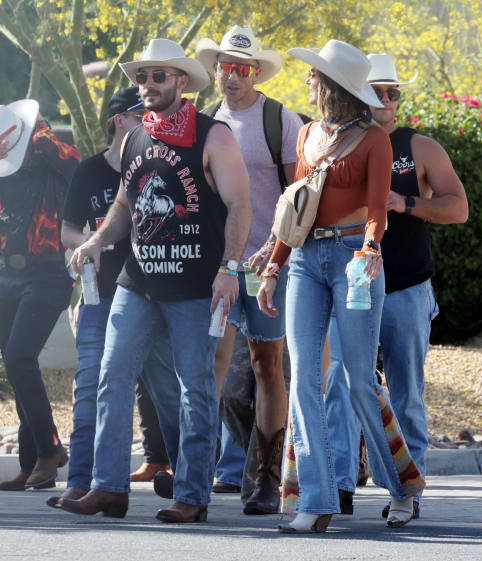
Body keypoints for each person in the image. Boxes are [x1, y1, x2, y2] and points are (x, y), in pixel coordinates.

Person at [57, 38, 251, 523]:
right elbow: (125, 205)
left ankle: (192, 495)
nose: (146, 85)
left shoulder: (214, 135)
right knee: (112, 375)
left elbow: (240, 206)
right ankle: (108, 488)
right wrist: (96, 242)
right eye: (141, 77)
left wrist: (230, 269)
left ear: (181, 82)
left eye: (157, 76)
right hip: (137, 281)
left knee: (196, 388)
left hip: (194, 287)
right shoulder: (136, 136)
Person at [257, 40, 426, 533]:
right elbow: (297, 211)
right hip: (306, 261)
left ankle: (402, 487)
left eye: (314, 76)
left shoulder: (374, 138)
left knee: (358, 380)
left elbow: (378, 210)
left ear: (330, 86)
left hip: (355, 260)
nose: (307, 81)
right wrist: (273, 267)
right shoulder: (306, 134)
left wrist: (371, 249)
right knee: (303, 377)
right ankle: (316, 497)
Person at [327, 53, 468, 518]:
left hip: (406, 285)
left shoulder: (420, 147)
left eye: (394, 92)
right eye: (378, 91)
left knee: (406, 391)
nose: (387, 100)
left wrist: (403, 202)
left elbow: (457, 209)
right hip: (351, 284)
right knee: (345, 384)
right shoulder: (339, 141)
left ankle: (407, 493)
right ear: (360, 94)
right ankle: (341, 485)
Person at [45, 87, 177, 508]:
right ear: (121, 120)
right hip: (100, 298)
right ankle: (81, 483)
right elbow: (65, 231)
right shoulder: (88, 172)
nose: (151, 120)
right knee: (90, 390)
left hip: (151, 296)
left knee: (169, 393)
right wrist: (91, 240)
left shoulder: (159, 165)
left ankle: (190, 476)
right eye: (142, 114)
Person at [195, 25, 303, 514]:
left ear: (256, 72)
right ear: (215, 69)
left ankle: (265, 477)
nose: (231, 76)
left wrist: (279, 255)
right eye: (225, 66)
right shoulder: (203, 122)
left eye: (242, 68)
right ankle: (196, 474)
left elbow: (304, 197)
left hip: (267, 264)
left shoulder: (281, 121)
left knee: (267, 367)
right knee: (210, 367)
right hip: (219, 266)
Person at [0, 101, 79, 491]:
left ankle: (50, 451)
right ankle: (32, 462)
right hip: (4, 273)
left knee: (19, 357)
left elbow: (77, 168)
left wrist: (38, 134)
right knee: (16, 365)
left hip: (46, 272)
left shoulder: (52, 157)